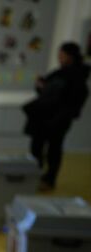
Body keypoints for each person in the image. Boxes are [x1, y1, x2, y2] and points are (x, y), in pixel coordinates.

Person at [23, 42, 90, 190]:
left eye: (62, 55)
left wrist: (65, 115)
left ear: (71, 56)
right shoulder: (58, 73)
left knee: (54, 149)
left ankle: (49, 179)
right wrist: (41, 86)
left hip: (59, 118)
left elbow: (74, 99)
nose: (59, 58)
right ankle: (35, 175)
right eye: (59, 55)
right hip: (43, 116)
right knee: (37, 147)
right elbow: (47, 92)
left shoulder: (77, 76)